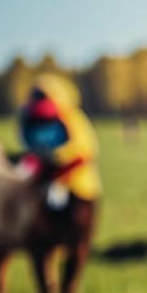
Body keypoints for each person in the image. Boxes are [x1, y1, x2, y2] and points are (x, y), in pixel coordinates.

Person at [17, 75, 101, 212]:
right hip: (42, 185)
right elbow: (28, 143)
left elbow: (85, 151)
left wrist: (59, 169)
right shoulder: (31, 117)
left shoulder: (72, 118)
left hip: (78, 188)